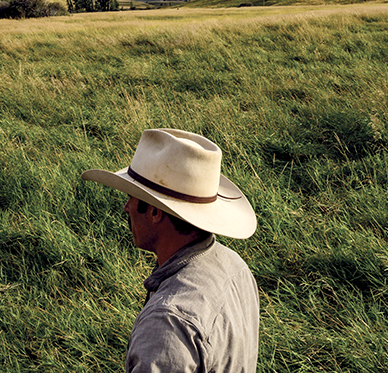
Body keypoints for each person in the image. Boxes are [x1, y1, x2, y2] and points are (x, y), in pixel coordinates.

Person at [81, 128, 259, 373]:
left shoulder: (166, 325)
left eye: (132, 197)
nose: (126, 207)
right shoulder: (234, 265)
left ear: (155, 213)